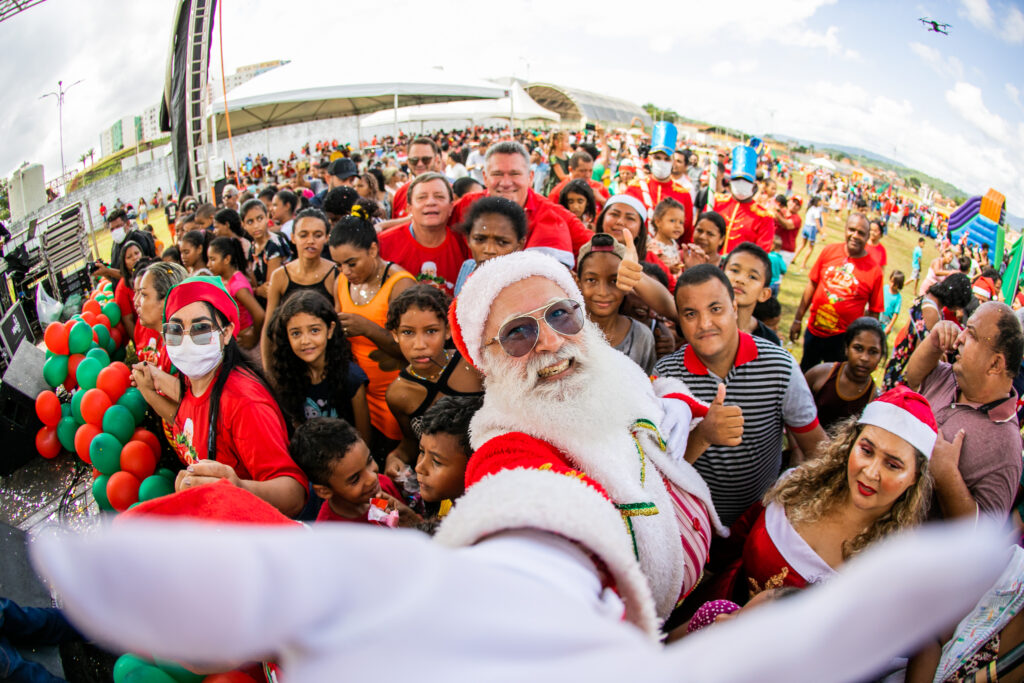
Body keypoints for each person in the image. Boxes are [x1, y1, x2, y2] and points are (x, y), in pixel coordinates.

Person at [444, 250, 723, 621]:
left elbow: (649, 386)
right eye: (518, 332)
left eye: (560, 314)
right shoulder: (506, 448)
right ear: (485, 357)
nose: (552, 341)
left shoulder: (604, 364)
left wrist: (679, 402)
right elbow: (526, 526)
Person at [713, 386, 935, 602]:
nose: (871, 472)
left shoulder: (888, 570)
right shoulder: (796, 486)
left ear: (915, 476)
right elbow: (733, 543)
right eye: (866, 451)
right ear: (851, 443)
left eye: (893, 465)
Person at [654, 264, 826, 526]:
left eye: (715, 309)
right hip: (687, 525)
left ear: (734, 308)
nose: (705, 324)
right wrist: (702, 435)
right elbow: (657, 469)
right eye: (691, 314)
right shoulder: (666, 376)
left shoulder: (779, 366)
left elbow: (816, 448)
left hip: (759, 523)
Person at [130, 276, 308, 516]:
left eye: (201, 328)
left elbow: (295, 494)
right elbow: (188, 419)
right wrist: (149, 390)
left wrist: (237, 487)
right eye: (174, 329)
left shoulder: (244, 403)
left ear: (226, 333)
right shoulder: (192, 381)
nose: (186, 340)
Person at [903, 302, 1024, 519]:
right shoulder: (950, 375)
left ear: (995, 364)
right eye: (964, 329)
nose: (959, 337)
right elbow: (911, 377)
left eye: (972, 334)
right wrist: (934, 341)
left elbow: (981, 538)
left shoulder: (1007, 445)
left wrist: (946, 476)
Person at [330, 215, 415, 460]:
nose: (346, 271)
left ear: (373, 249)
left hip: (395, 400)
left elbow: (412, 350)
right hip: (358, 396)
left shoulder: (400, 284)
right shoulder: (341, 282)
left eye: (351, 263)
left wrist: (368, 328)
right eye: (339, 265)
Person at [383, 285, 483, 479]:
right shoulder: (399, 394)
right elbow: (411, 444)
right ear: (395, 334)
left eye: (431, 331)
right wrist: (395, 457)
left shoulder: (473, 366)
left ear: (447, 331)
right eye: (408, 332)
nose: (419, 345)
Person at [447, 140, 592, 268]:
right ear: (485, 177)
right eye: (497, 174)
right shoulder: (467, 205)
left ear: (530, 177)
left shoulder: (554, 216)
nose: (505, 183)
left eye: (514, 174)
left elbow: (600, 249)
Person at [265, 290, 370, 444]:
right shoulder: (286, 377)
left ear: (330, 330)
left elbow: (364, 439)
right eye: (296, 333)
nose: (305, 341)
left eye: (314, 330)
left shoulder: (352, 377)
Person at [790, 213, 884, 372]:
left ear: (868, 236)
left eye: (861, 233)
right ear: (845, 230)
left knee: (832, 382)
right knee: (805, 373)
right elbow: (812, 285)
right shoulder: (829, 251)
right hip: (814, 330)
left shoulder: (874, 271)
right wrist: (798, 320)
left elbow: (875, 313)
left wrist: (868, 347)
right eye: (852, 230)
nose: (855, 235)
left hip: (843, 340)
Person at [288, 418, 418, 527]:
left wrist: (411, 519)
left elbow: (409, 527)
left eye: (370, 460)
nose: (372, 478)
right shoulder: (330, 532)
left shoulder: (380, 489)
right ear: (324, 491)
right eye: (355, 479)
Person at [261, 208, 338, 368]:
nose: (310, 241)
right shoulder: (280, 276)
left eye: (317, 235)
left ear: (326, 238)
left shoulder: (336, 274)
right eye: (304, 235)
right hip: (289, 363)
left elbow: (339, 328)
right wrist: (268, 371)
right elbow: (268, 328)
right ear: (293, 238)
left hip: (328, 361)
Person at [576, 233, 657, 374]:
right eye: (591, 280)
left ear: (627, 284)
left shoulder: (641, 336)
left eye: (614, 281)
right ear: (579, 283)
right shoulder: (566, 333)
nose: (603, 292)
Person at [378, 172, 469, 294]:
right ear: (409, 209)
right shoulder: (383, 244)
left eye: (439, 197)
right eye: (422, 197)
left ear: (450, 208)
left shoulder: (465, 245)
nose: (430, 202)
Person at [882, 272, 973, 390]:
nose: (958, 309)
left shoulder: (930, 297)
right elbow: (927, 351)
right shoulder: (932, 313)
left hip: (900, 355)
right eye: (959, 305)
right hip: (904, 370)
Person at [804, 317, 885, 434]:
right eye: (858, 348)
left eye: (873, 352)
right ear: (847, 348)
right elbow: (792, 411)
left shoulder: (873, 400)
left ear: (881, 356)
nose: (864, 358)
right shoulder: (820, 374)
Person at [625, 122, 694, 242]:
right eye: (657, 158)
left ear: (673, 162)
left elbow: (686, 234)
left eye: (667, 159)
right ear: (650, 159)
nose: (662, 162)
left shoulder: (683, 195)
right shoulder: (634, 188)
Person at [415, 395, 483, 514]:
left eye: (436, 461)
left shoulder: (476, 520)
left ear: (474, 466)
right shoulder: (451, 498)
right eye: (421, 452)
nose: (419, 468)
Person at [453, 195, 528, 295]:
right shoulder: (467, 269)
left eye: (502, 242)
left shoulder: (524, 285)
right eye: (479, 239)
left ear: (519, 245)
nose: (489, 250)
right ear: (468, 240)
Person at [709, 145, 773, 253]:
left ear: (754, 185)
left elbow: (761, 252)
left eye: (746, 181)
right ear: (730, 182)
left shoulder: (763, 216)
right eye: (737, 180)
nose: (741, 184)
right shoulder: (716, 202)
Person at [207, 237, 265, 351]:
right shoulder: (225, 280)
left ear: (227, 259)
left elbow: (259, 314)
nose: (209, 264)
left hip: (247, 343)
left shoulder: (237, 286)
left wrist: (254, 337)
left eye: (213, 259)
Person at [132, 262, 188, 373]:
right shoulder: (168, 345)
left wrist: (147, 389)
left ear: (166, 302)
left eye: (143, 294)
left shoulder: (178, 355)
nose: (136, 301)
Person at [722, 242, 777, 346]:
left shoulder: (769, 341)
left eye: (752, 277)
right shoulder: (702, 325)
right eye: (734, 270)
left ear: (764, 294)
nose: (740, 280)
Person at [95, 209, 156, 282]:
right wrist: (104, 272)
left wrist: (107, 271)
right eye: (112, 229)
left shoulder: (138, 240)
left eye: (118, 227)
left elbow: (135, 275)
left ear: (127, 224)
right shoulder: (116, 244)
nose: (115, 231)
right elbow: (116, 278)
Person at [390, 137, 444, 219]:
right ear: (408, 162)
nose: (419, 164)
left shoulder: (450, 192)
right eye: (414, 160)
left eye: (426, 159)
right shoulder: (400, 194)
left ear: (436, 160)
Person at [113, 240, 146, 336]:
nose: (135, 258)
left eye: (137, 253)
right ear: (124, 262)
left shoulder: (151, 272)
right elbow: (128, 321)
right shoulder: (122, 288)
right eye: (129, 257)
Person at [647, 198, 687, 276]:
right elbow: (654, 270)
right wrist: (669, 268)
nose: (678, 226)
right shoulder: (653, 247)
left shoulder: (674, 244)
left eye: (681, 222)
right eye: (672, 221)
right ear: (658, 222)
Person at [792, 197, 823, 269]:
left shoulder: (810, 208)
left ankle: (793, 258)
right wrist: (822, 233)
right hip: (811, 229)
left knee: (802, 244)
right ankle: (803, 263)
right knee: (810, 247)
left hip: (806, 227)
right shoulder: (816, 210)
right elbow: (817, 223)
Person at [772, 195, 802, 265]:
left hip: (785, 251)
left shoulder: (797, 219)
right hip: (773, 246)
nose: (794, 205)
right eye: (793, 202)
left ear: (799, 208)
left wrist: (776, 214)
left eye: (797, 204)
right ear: (788, 202)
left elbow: (787, 225)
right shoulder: (781, 211)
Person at [879, 270, 905, 335]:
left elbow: (896, 314)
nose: (892, 284)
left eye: (895, 284)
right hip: (878, 316)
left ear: (899, 285)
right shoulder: (884, 288)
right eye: (892, 281)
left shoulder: (898, 298)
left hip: (886, 322)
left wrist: (890, 326)